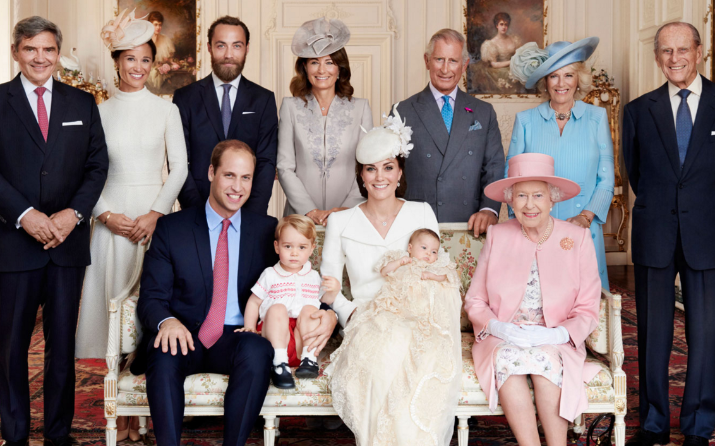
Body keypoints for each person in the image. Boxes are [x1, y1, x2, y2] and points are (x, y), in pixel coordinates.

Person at [74, 11, 188, 439]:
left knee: (151, 310)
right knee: (112, 312)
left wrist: (155, 214)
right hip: (111, 221)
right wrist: (106, 215)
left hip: (155, 220)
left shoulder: (166, 111)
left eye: (145, 59)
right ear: (117, 61)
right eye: (130, 59)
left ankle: (151, 402)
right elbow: (88, 172)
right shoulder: (97, 111)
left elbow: (179, 169)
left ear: (152, 63)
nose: (138, 67)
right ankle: (119, 412)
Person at [321, 105, 460, 443]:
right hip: (368, 318)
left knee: (411, 354)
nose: (379, 177)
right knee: (379, 363)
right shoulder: (341, 222)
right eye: (371, 169)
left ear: (400, 172)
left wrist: (423, 312)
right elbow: (327, 286)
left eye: (388, 168)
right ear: (361, 175)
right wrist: (350, 311)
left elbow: (438, 270)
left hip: (418, 317)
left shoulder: (420, 212)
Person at [0, 16, 108, 446]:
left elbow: (98, 166)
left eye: (47, 49)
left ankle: (59, 436)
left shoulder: (81, 104)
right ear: (16, 53)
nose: (40, 58)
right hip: (13, 244)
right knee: (11, 351)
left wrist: (74, 214)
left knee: (62, 350)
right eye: (30, 49)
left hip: (67, 245)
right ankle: (15, 435)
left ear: (57, 53)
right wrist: (24, 214)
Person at [464, 153, 602, 446]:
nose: (529, 204)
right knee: (508, 361)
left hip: (554, 335)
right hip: (504, 336)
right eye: (521, 196)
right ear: (511, 201)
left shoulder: (576, 238)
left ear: (552, 199)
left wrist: (558, 333)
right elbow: (475, 300)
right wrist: (499, 328)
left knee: (545, 364)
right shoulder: (498, 235)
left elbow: (589, 306)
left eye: (538, 195)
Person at [623, 22, 715, 446]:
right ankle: (654, 423)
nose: (674, 58)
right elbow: (635, 171)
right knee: (653, 334)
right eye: (666, 51)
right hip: (655, 231)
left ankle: (699, 424)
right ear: (657, 56)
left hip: (708, 234)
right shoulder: (639, 110)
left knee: (706, 333)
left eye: (683, 50)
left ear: (700, 52)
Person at [326, 227, 461, 444]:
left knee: (415, 340)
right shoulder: (402, 260)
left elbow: (447, 279)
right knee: (380, 332)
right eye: (424, 248)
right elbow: (385, 271)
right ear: (410, 248)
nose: (428, 254)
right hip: (393, 308)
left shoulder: (434, 268)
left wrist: (431, 275)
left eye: (434, 251)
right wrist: (400, 263)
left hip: (417, 313)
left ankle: (402, 419)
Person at [507, 37, 614, 288]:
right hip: (536, 228)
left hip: (584, 228)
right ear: (545, 81)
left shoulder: (597, 118)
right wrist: (528, 221)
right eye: (554, 76)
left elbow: (606, 178)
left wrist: (586, 217)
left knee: (586, 307)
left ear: (579, 80)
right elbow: (511, 181)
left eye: (568, 75)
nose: (561, 83)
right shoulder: (525, 121)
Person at [394, 28, 504, 233]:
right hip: (415, 227)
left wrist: (489, 209)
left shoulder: (484, 112)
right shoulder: (402, 111)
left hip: (470, 226)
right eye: (439, 59)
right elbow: (390, 171)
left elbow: (494, 167)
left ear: (464, 65)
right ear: (427, 61)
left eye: (453, 61)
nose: (445, 69)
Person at [173, 16, 278, 214]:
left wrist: (252, 215)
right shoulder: (185, 98)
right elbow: (179, 161)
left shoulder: (263, 100)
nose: (229, 54)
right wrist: (197, 212)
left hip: (247, 212)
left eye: (236, 46)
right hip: (196, 211)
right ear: (209, 48)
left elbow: (266, 162)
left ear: (247, 48)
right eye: (221, 46)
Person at [277, 17, 372, 225]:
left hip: (349, 215)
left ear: (340, 69)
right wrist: (310, 211)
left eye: (329, 62)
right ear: (304, 67)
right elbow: (285, 167)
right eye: (314, 62)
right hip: (300, 218)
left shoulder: (361, 108)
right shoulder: (290, 107)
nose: (322, 70)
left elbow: (367, 166)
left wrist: (346, 210)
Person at [237, 214, 340, 388]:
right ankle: (279, 364)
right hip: (276, 335)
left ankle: (309, 360)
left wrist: (334, 290)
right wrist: (250, 327)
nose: (294, 253)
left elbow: (324, 302)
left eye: (301, 247)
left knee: (310, 310)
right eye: (288, 246)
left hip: (303, 340)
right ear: (277, 247)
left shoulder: (314, 276)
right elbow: (254, 302)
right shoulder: (270, 274)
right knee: (277, 309)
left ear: (312, 248)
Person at [469, 12, 522, 92]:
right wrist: (511, 62)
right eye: (501, 24)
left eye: (506, 24)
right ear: (497, 26)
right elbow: (493, 64)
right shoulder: (491, 44)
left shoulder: (514, 40)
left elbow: (518, 55)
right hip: (498, 72)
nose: (504, 27)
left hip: (513, 69)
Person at [145, 11, 175, 91]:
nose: (158, 27)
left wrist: (166, 64)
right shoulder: (145, 40)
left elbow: (170, 59)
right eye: (155, 25)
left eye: (160, 25)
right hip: (147, 72)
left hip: (162, 72)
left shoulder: (166, 40)